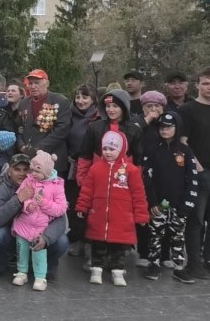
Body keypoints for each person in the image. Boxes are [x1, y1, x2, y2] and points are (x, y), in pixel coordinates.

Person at [76, 131, 149, 286]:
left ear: (121, 150)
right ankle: (96, 270)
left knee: (119, 247)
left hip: (121, 217)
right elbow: (87, 190)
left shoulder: (131, 170)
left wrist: (141, 215)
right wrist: (82, 207)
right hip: (99, 216)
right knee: (98, 245)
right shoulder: (95, 169)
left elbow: (139, 194)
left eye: (112, 149)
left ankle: (118, 271)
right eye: (105, 149)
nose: (108, 152)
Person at [0, 154, 69, 279]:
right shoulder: (2, 189)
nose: (22, 173)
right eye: (17, 169)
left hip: (40, 233)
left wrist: (46, 238)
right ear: (9, 171)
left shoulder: (50, 186)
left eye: (26, 169)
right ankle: (0, 266)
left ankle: (46, 268)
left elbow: (61, 220)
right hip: (15, 234)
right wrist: (18, 199)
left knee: (62, 241)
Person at [142, 112, 198, 283]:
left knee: (178, 236)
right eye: (161, 127)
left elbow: (192, 180)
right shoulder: (152, 150)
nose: (164, 130)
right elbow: (147, 178)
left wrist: (186, 206)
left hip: (179, 205)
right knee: (155, 234)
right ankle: (153, 264)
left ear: (177, 128)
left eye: (168, 127)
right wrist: (152, 202)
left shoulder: (186, 152)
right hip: (158, 205)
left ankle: (179, 268)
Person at [11, 151, 67, 292]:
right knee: (22, 250)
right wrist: (27, 205)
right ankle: (22, 272)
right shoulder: (29, 180)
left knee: (39, 251)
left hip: (42, 227)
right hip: (24, 223)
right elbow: (20, 195)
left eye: (38, 171)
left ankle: (40, 277)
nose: (33, 174)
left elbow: (61, 209)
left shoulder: (57, 185)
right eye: (33, 169)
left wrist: (44, 203)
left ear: (47, 171)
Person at [178, 67, 210, 279]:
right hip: (200, 171)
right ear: (197, 85)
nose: (209, 87)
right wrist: (196, 165)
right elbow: (183, 141)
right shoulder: (188, 110)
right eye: (206, 83)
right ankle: (194, 264)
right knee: (196, 219)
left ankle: (207, 259)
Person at [16, 69, 72, 175]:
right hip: (29, 160)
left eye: (36, 83)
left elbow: (61, 130)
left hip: (52, 160)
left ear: (47, 83)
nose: (32, 86)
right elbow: (19, 128)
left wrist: (38, 148)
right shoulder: (23, 103)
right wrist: (22, 146)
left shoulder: (60, 100)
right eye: (30, 83)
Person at [66, 84, 100, 255]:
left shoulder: (98, 116)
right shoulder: (69, 114)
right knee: (73, 204)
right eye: (78, 97)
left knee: (89, 203)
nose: (80, 101)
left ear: (93, 99)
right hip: (71, 165)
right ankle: (76, 238)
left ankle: (90, 242)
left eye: (85, 97)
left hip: (90, 165)